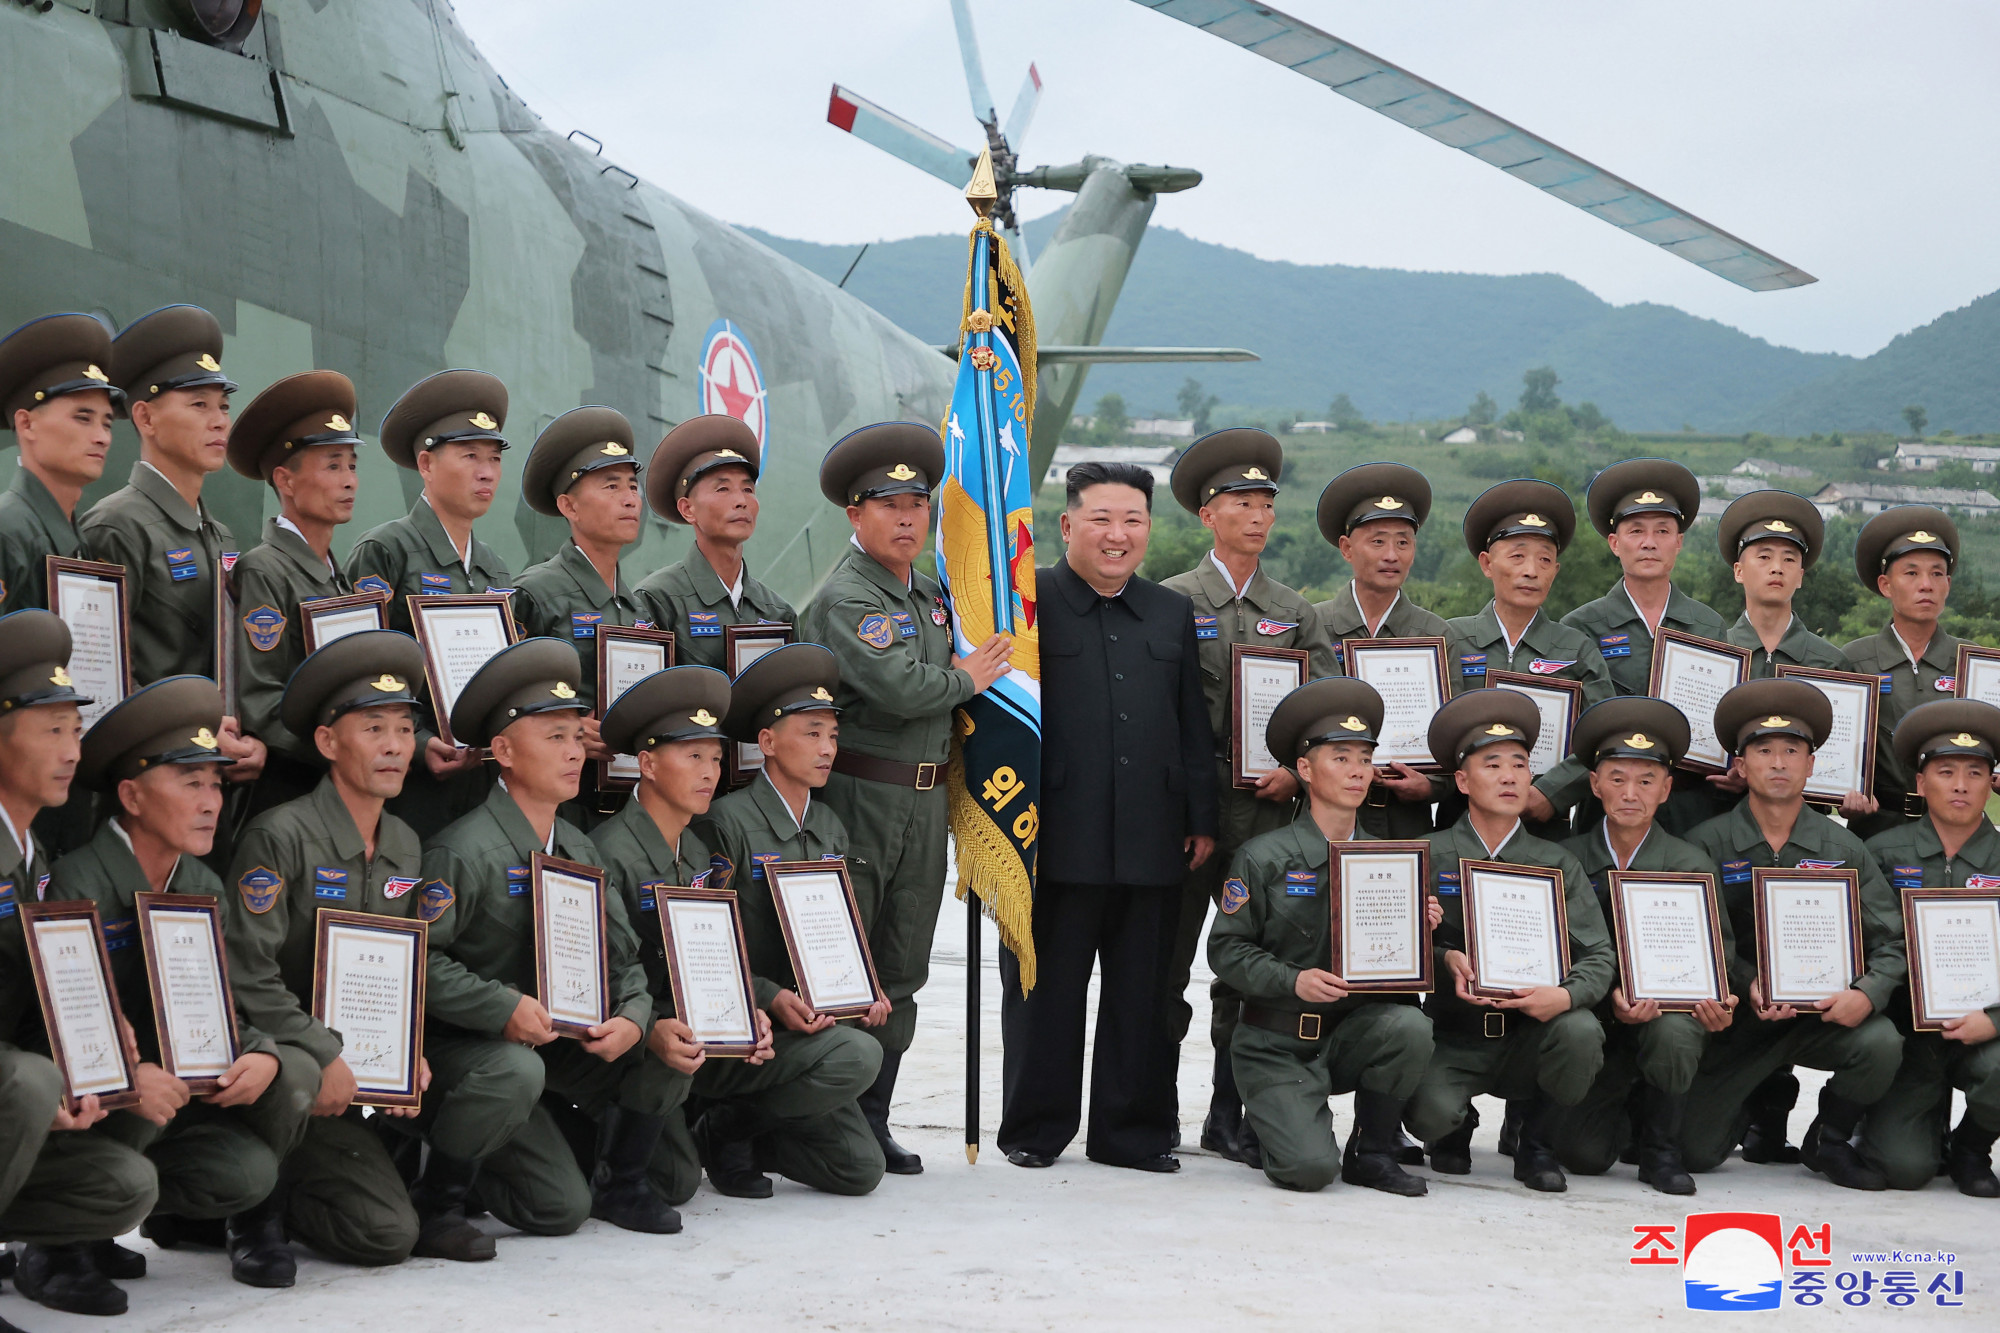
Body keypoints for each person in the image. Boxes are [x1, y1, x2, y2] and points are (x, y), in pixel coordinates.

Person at [50, 676, 316, 1285]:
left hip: (174, 1099)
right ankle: (60, 1242)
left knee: (284, 1089)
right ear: (132, 796)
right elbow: (51, 1032)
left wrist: (263, 1055)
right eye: (190, 782)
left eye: (216, 785)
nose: (210, 802)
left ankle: (247, 1222)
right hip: (94, 1106)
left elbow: (223, 1003)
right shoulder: (76, 884)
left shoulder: (200, 886)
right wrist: (123, 1074)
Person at [798, 422, 1012, 1175]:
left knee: (903, 968)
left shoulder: (927, 591)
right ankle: (824, 1116)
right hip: (860, 800)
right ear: (855, 515)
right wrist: (967, 679)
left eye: (917, 503)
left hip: (922, 807)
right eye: (888, 505)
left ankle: (873, 1117)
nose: (907, 518)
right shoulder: (849, 596)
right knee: (840, 963)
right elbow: (898, 685)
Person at [418, 638, 682, 1243]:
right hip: (478, 1054)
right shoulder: (461, 850)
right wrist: (502, 1008)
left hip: (561, 1048)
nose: (572, 754)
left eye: (574, 736)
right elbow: (419, 964)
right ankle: (438, 1201)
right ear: (504, 751)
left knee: (668, 1043)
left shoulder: (580, 847)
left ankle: (621, 1183)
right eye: (552, 737)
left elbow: (626, 961)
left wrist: (637, 1021)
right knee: (557, 1208)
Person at [997, 460, 1215, 1173]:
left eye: (1133, 521)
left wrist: (1202, 817)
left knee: (1143, 995)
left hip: (1153, 836)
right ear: (1067, 526)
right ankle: (1035, 1127)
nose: (1118, 535)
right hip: (1053, 835)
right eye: (1101, 519)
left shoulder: (1169, 610)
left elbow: (1191, 723)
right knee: (1046, 993)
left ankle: (1133, 1132)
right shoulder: (1028, 604)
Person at [605, 652, 884, 1200]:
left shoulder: (829, 826)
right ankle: (718, 1124)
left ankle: (740, 1128)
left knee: (860, 1169)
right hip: (704, 1026)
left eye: (832, 734)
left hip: (785, 1026)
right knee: (676, 1183)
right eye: (812, 733)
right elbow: (708, 947)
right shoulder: (721, 824)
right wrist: (764, 997)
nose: (827, 748)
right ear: (769, 742)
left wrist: (858, 991)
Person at [222, 631, 434, 1267]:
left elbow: (395, 968)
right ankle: (249, 1217)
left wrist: (407, 1045)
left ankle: (261, 1195)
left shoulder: (404, 842)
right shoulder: (279, 836)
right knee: (295, 1075)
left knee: (389, 1237)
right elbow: (246, 973)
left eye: (404, 727)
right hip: (276, 1068)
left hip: (344, 1083)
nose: (396, 745)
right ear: (326, 743)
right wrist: (324, 1049)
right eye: (373, 728)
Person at [1159, 428, 1339, 1168]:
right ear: (1208, 513)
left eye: (1267, 502)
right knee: (1164, 969)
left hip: (1266, 818)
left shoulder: (1296, 612)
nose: (1258, 515)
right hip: (1185, 819)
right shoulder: (1169, 600)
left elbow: (1329, 711)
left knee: (1247, 971)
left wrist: (1298, 774)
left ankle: (1230, 1112)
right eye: (1242, 501)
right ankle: (1153, 1103)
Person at [1208, 676, 1436, 1195]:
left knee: (1410, 1026)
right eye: (1340, 757)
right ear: (1305, 770)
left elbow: (1396, 966)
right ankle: (1275, 1117)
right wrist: (1293, 980)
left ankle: (1373, 1150)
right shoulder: (1262, 856)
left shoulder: (1392, 861)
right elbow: (1224, 949)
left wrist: (1420, 933)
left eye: (1364, 758)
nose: (1357, 770)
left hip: (1348, 1035)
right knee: (1308, 1171)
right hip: (1276, 1040)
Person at [1681, 679, 1906, 1189]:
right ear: (1740, 766)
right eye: (1763, 750)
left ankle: (1829, 1138)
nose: (1778, 762)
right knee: (1693, 1152)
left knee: (1880, 1042)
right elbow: (1695, 938)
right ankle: (1748, 1110)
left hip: (1819, 1017)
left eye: (1792, 751)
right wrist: (1745, 981)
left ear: (1812, 765)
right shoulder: (1706, 845)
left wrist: (1865, 994)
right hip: (1740, 1021)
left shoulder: (1841, 847)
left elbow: (1892, 939)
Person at [0, 610, 159, 1319]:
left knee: (124, 1183)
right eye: (52, 730)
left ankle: (49, 1248)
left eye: (75, 729)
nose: (73, 749)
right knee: (29, 1081)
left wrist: (92, 1045)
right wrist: (41, 1075)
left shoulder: (30, 856)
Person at [1405, 690, 1614, 1193]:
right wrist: (1440, 954)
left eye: (1520, 765)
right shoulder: (1426, 854)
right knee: (1428, 1116)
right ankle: (1455, 1126)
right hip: (1454, 1033)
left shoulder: (1555, 862)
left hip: (1530, 1034)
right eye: (1491, 764)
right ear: (1461, 780)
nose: (1508, 777)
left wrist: (1563, 996)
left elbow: (1600, 957)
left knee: (1581, 1030)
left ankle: (1536, 1142)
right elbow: (1389, 952)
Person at [1551, 698, 1737, 1195]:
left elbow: (1720, 951)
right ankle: (1618, 1107)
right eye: (1616, 778)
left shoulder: (1690, 863)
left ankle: (1661, 1150)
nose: (1630, 793)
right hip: (1596, 1021)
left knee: (1677, 1032)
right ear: (1594, 785)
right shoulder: (1565, 860)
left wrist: (1716, 995)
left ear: (1667, 789)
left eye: (1646, 780)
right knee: (1584, 1157)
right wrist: (1608, 996)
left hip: (1663, 1018)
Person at [86, 306, 266, 799]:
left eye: (223, 406)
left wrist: (252, 740)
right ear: (144, 416)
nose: (218, 422)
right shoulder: (117, 526)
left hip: (209, 783)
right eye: (198, 405)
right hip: (143, 789)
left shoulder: (221, 535)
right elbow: (104, 680)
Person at [346, 369, 514, 837]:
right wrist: (419, 744)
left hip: (481, 785)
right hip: (406, 788)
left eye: (494, 458)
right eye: (470, 456)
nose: (486, 471)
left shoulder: (496, 570)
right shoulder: (385, 551)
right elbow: (361, 673)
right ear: (426, 464)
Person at [1858, 699, 2000, 1196]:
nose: (1960, 785)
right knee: (1904, 1170)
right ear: (1921, 784)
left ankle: (1972, 1146)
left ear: (1991, 783)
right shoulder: (1880, 854)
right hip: (1906, 1034)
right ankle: (1867, 1122)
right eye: (1945, 771)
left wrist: (1996, 1019)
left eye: (1975, 772)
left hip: (1984, 1029)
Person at [1562, 460, 1726, 835]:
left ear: (1679, 542)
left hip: (1692, 806)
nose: (1650, 542)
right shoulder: (1580, 627)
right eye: (1636, 531)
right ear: (1615, 543)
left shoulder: (1709, 626)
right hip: (1606, 810)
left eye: (1663, 531)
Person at [226, 370, 364, 817]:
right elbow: (261, 699)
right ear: (285, 481)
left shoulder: (336, 576)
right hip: (286, 793)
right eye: (332, 465)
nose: (349, 481)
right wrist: (338, 747)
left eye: (352, 465)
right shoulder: (265, 570)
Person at [1444, 479, 1614, 840]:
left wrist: (1550, 792)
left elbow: (1603, 735)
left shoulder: (1577, 650)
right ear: (1487, 564)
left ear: (1556, 571)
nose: (1531, 570)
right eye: (1517, 556)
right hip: (1457, 821)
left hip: (1545, 828)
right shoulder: (1450, 639)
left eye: (1544, 559)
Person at [511, 406, 650, 826]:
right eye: (611, 486)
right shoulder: (535, 593)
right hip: (558, 810)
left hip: (627, 809)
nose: (629, 498)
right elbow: (505, 710)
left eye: (632, 485)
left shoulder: (641, 608)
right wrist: (567, 727)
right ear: (569, 506)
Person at [1313, 462, 1450, 841]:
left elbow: (1456, 736)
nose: (1392, 554)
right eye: (1377, 541)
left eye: (1403, 542)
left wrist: (1432, 787)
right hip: (1325, 817)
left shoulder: (1436, 635)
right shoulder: (1311, 625)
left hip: (1407, 821)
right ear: (1346, 548)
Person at [1844, 507, 1973, 841]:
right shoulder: (1853, 660)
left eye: (1937, 574)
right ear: (1886, 585)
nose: (1926, 585)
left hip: (1958, 833)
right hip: (1875, 830)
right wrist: (1841, 793)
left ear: (1948, 584)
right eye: (1912, 574)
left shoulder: (1973, 663)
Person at [635, 415, 795, 671]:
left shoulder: (777, 611)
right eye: (723, 489)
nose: (741, 501)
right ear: (688, 509)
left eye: (748, 490)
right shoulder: (658, 600)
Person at [0, 313, 120, 617]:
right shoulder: (8, 531)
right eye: (83, 418)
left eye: (107, 424)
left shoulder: (74, 537)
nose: (102, 438)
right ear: (26, 424)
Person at [1717, 489, 1852, 677]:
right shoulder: (1715, 654)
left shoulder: (1829, 663)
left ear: (1800, 576)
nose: (1777, 568)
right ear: (1739, 571)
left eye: (1789, 559)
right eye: (1764, 556)